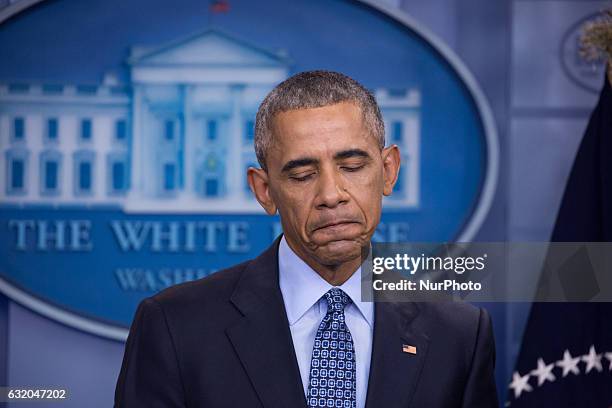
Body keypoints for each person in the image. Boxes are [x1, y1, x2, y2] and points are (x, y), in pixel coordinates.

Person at [114, 70, 499, 408]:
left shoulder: (460, 334)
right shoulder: (175, 326)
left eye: (352, 166)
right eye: (301, 175)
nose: (331, 194)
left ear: (388, 171)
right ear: (264, 190)